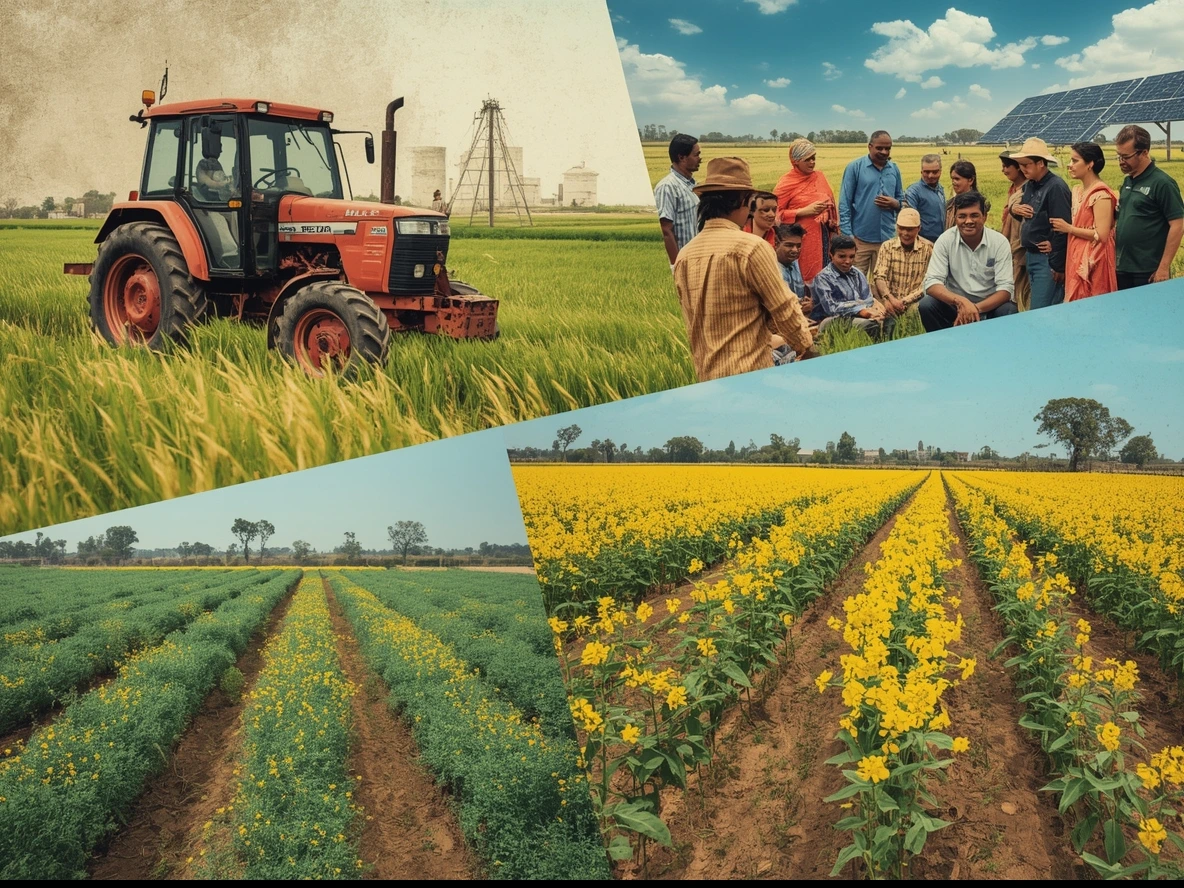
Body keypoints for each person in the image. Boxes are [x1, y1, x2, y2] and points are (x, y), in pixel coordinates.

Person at [673, 156, 818, 381]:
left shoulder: (685, 255)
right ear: (743, 200)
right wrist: (806, 347)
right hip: (750, 374)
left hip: (706, 377)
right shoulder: (751, 247)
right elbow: (783, 307)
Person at [919, 191, 1016, 331]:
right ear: (955, 218)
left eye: (974, 215)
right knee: (927, 305)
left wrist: (974, 309)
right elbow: (932, 283)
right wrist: (961, 302)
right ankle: (944, 346)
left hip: (989, 307)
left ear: (985, 216)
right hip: (955, 305)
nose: (968, 221)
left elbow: (1005, 289)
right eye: (962, 216)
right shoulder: (945, 240)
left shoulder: (999, 242)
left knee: (1008, 310)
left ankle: (998, 349)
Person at [1113, 124, 1184, 289]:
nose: (1121, 162)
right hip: (1123, 267)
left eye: (1126, 157)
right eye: (1119, 156)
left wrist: (1163, 268)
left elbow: (1178, 224)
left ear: (1144, 152)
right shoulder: (1127, 181)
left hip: (1148, 270)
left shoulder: (1162, 183)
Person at [1009, 137, 1072, 309]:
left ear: (1041, 164)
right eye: (1020, 164)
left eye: (1027, 164)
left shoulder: (1056, 187)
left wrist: (1058, 265)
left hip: (1048, 260)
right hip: (1031, 255)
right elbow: (1025, 215)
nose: (1022, 168)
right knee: (1037, 305)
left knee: (1043, 309)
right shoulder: (1030, 185)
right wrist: (1016, 210)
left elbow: (1063, 226)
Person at [1051, 142, 1117, 302]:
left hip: (1094, 260)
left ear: (1090, 164)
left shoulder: (1101, 195)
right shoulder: (1078, 191)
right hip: (1076, 255)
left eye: (1075, 161)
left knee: (1093, 300)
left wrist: (1069, 229)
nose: (1069, 165)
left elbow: (1101, 235)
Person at [837, 131, 904, 278]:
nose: (884, 152)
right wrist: (849, 236)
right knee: (854, 282)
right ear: (870, 147)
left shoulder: (894, 169)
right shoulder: (855, 167)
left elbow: (901, 199)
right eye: (879, 148)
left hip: (887, 239)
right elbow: (844, 203)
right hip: (860, 239)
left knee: (883, 284)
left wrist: (895, 203)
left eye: (888, 148)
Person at [773, 139, 836, 284]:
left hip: (824, 235)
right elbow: (775, 215)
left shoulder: (819, 176)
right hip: (800, 239)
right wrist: (802, 212)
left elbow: (830, 201)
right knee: (803, 275)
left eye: (814, 158)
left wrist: (827, 212)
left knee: (824, 274)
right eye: (807, 159)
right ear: (795, 161)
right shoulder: (786, 183)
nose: (812, 162)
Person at [812, 234, 895, 340]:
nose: (847, 261)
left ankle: (886, 348)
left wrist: (875, 310)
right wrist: (861, 310)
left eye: (851, 256)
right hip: (831, 319)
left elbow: (868, 299)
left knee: (890, 319)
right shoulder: (823, 277)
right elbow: (832, 308)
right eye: (842, 256)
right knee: (869, 325)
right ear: (831, 255)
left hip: (857, 316)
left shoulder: (857, 273)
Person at [872, 208, 933, 317]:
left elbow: (928, 282)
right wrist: (889, 299)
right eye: (901, 228)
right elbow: (879, 276)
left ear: (918, 228)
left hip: (915, 302)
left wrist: (904, 302)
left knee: (916, 314)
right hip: (889, 300)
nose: (905, 233)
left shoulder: (928, 249)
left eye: (910, 229)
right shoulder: (887, 246)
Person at [655, 134, 702, 268]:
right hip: (683, 263)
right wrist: (677, 266)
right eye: (696, 155)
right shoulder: (668, 187)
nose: (700, 159)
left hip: (695, 260)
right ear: (682, 157)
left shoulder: (692, 185)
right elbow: (665, 229)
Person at [999, 152, 1031, 311]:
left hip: (1019, 248)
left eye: (1006, 166)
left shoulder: (1026, 191)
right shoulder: (1013, 190)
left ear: (1018, 167)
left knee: (1020, 292)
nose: (1003, 170)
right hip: (1011, 247)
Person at [903, 154, 945, 243]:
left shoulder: (940, 189)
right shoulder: (913, 192)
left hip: (941, 241)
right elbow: (910, 220)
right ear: (921, 172)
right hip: (923, 243)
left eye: (935, 172)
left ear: (940, 171)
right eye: (927, 172)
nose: (930, 176)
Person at [944, 160, 989, 230]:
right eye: (952, 179)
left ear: (970, 180)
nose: (953, 182)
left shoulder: (979, 205)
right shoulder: (950, 204)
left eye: (957, 179)